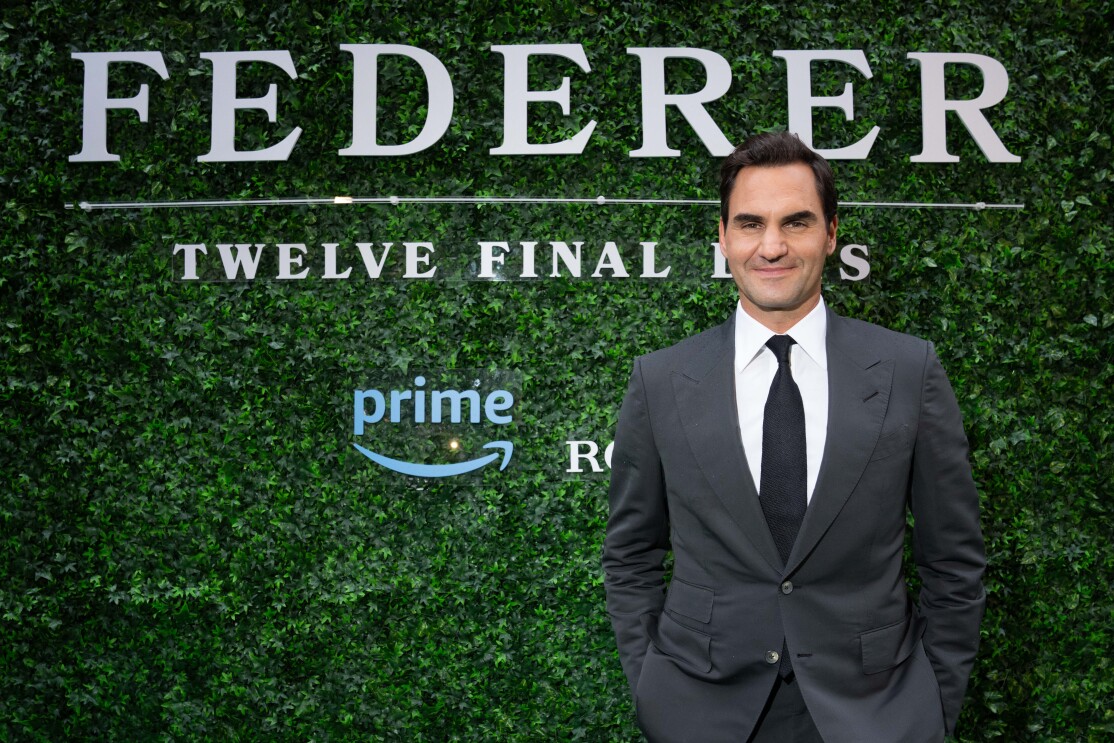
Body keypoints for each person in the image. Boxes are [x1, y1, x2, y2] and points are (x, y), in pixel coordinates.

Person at [602, 132, 986, 743]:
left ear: (831, 234)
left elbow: (954, 561)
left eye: (797, 222)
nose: (772, 246)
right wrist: (655, 685)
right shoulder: (661, 379)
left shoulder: (909, 370)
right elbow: (630, 556)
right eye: (751, 223)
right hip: (703, 711)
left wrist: (932, 701)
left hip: (876, 713)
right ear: (723, 236)